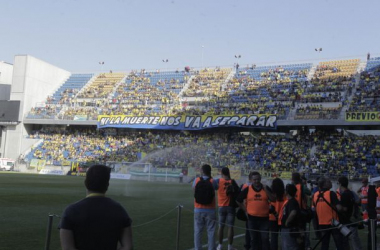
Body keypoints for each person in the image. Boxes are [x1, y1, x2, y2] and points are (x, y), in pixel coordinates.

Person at [59, 164, 133, 250]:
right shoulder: (119, 210)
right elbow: (128, 246)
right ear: (107, 185)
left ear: (85, 183)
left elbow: (67, 248)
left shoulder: (71, 211)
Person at [236, 171, 275, 250]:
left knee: (265, 239)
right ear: (251, 180)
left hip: (264, 219)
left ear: (260, 179)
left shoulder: (266, 188)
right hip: (252, 219)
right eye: (254, 179)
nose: (256, 181)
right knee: (253, 239)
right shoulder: (248, 189)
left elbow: (273, 199)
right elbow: (238, 200)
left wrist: (266, 190)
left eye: (258, 179)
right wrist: (245, 210)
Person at [312, 177, 343, 250]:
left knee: (324, 244)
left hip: (321, 223)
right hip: (333, 222)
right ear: (324, 184)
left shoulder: (315, 195)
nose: (331, 182)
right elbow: (339, 208)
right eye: (329, 181)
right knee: (339, 243)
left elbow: (314, 208)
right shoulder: (331, 193)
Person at [192, 164, 216, 250]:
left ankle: (197, 248)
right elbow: (216, 188)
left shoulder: (197, 180)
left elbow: (194, 192)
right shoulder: (213, 181)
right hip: (210, 209)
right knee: (211, 231)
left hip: (198, 209)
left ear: (202, 171)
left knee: (198, 231)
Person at [215, 167, 237, 250]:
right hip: (230, 206)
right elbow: (237, 192)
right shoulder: (232, 181)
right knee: (230, 227)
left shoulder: (218, 181)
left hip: (221, 206)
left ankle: (220, 245)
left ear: (222, 173)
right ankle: (230, 246)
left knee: (221, 226)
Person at [337, 176, 362, 250]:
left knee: (350, 237)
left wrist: (337, 207)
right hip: (353, 217)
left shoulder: (345, 194)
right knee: (353, 237)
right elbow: (358, 202)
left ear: (340, 184)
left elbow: (344, 209)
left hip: (348, 218)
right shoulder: (351, 192)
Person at [279, 184, 301, 250]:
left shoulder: (292, 201)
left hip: (289, 228)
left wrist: (287, 222)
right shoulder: (290, 201)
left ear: (287, 192)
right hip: (287, 228)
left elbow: (293, 212)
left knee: (289, 246)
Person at [269, 178, 286, 250]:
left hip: (273, 217)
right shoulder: (284, 194)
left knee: (274, 237)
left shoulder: (271, 194)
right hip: (282, 217)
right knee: (284, 237)